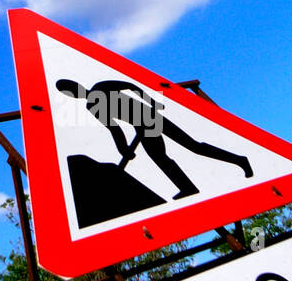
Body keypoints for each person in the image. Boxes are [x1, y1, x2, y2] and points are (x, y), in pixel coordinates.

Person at [55, 78, 253, 199]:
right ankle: (189, 187)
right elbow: (114, 128)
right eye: (69, 92)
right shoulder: (91, 105)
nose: (74, 92)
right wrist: (123, 149)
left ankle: (240, 161)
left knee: (192, 147)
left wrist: (152, 102)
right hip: (142, 126)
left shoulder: (101, 87)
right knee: (163, 158)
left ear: (76, 85)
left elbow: (131, 86)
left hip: (150, 117)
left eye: (72, 87)